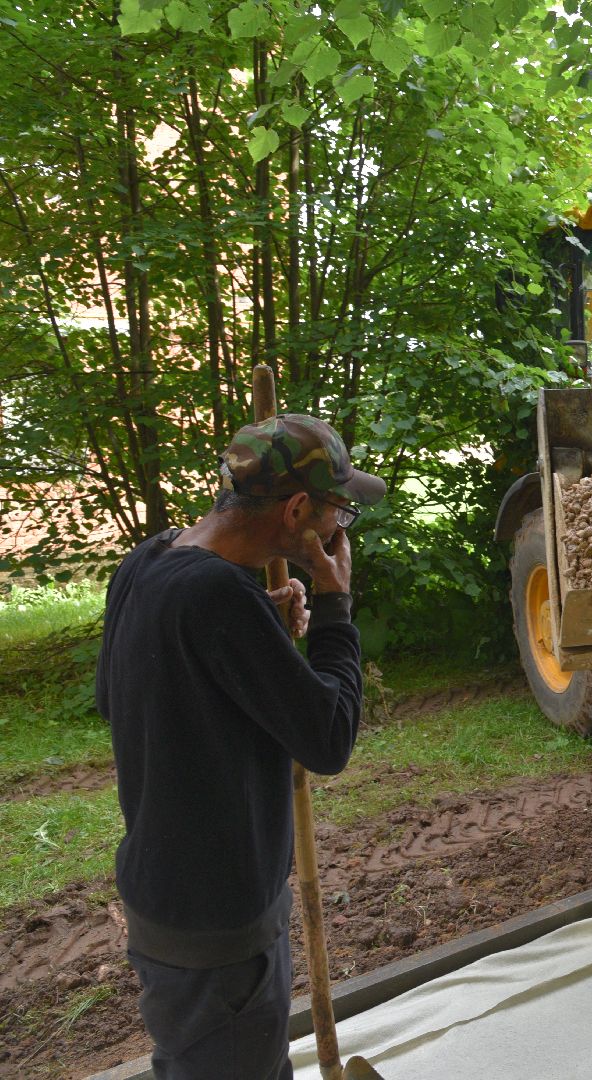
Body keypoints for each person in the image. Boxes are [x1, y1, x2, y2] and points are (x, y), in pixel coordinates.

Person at [97, 414, 385, 1079]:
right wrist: (334, 605)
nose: (340, 526)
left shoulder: (150, 560)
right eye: (337, 510)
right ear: (297, 511)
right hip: (220, 932)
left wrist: (262, 647)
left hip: (167, 905)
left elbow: (124, 699)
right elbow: (329, 739)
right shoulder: (219, 596)